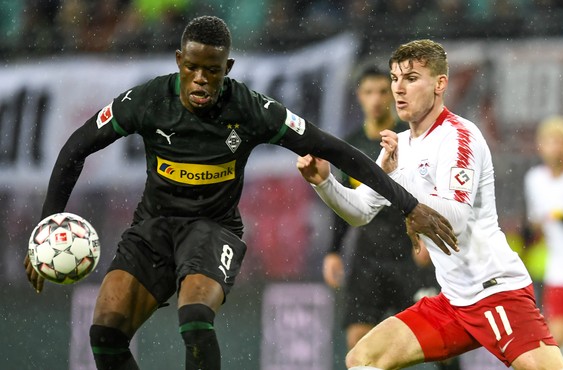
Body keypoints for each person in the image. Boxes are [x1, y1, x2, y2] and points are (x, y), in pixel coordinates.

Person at [22, 17, 457, 370]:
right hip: (153, 227)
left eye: (211, 70)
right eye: (191, 67)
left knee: (194, 321)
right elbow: (75, 147)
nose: (199, 80)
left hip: (213, 229)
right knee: (106, 334)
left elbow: (335, 150)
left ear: (226, 69)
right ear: (179, 61)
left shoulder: (250, 109)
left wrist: (409, 204)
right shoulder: (147, 100)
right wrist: (46, 225)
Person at [296, 39, 563, 369]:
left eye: (411, 79)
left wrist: (398, 179)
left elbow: (452, 219)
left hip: (495, 291)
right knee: (363, 357)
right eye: (395, 78)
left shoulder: (459, 136)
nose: (399, 88)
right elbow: (360, 211)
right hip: (453, 300)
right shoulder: (399, 148)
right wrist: (324, 182)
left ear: (440, 84)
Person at [323, 64, 439, 351]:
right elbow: (345, 200)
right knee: (358, 345)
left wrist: (430, 238)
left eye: (382, 91)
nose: (376, 99)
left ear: (393, 94)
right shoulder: (350, 146)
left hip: (410, 253)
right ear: (359, 96)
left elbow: (432, 192)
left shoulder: (413, 139)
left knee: (439, 342)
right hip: (368, 258)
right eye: (368, 92)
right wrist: (334, 251)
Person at [524, 115, 563, 369]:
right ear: (540, 145)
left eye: (562, 142)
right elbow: (538, 225)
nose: (556, 147)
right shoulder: (534, 179)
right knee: (552, 348)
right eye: (550, 141)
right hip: (559, 275)